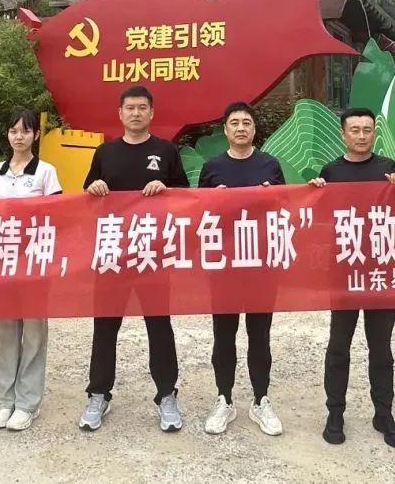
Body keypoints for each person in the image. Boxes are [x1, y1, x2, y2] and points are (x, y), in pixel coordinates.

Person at [79, 85, 188, 433]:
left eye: (142, 108)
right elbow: (87, 195)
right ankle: (98, 394)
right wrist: (94, 189)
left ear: (151, 113)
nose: (136, 113)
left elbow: (186, 197)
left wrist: (166, 190)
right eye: (130, 108)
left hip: (152, 253)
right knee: (105, 326)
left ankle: (167, 395)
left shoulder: (166, 151)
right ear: (120, 113)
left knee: (159, 325)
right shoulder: (105, 152)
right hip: (113, 253)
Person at [310, 107, 395, 449]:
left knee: (381, 348)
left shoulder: (387, 168)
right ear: (343, 135)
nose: (362, 136)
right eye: (355, 130)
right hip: (344, 270)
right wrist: (316, 191)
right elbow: (320, 220)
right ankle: (335, 413)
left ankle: (384, 414)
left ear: (373, 134)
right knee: (339, 345)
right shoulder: (331, 171)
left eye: (367, 130)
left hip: (381, 268)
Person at [199, 101, 286, 437]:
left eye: (246, 122)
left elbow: (285, 208)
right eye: (234, 122)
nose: (240, 128)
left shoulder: (270, 165)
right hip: (224, 265)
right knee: (224, 333)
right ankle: (224, 399)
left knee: (259, 334)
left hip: (260, 263)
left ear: (254, 129)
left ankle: (261, 400)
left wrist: (271, 198)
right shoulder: (212, 167)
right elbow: (198, 214)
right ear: (225, 129)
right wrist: (214, 200)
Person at [0, 109, 63, 432]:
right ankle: (6, 401)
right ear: (7, 135)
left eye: (25, 131)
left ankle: (28, 403)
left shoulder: (46, 172)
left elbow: (57, 215)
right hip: (2, 261)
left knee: (33, 334)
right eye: (14, 131)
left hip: (34, 261)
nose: (19, 137)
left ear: (35, 135)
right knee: (4, 334)